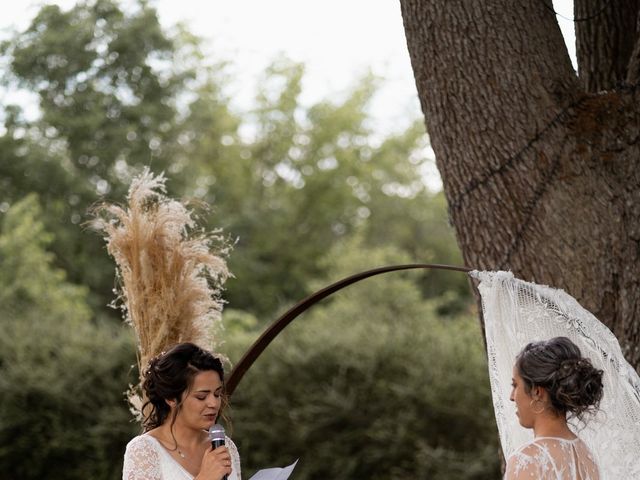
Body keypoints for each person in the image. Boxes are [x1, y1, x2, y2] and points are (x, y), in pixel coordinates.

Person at [122, 342, 241, 480]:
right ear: (171, 398)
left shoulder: (226, 447)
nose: (213, 403)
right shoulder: (143, 451)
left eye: (217, 394)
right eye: (201, 397)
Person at [504, 337, 603, 480]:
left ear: (537, 392)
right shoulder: (586, 456)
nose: (512, 397)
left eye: (515, 385)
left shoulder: (526, 459)